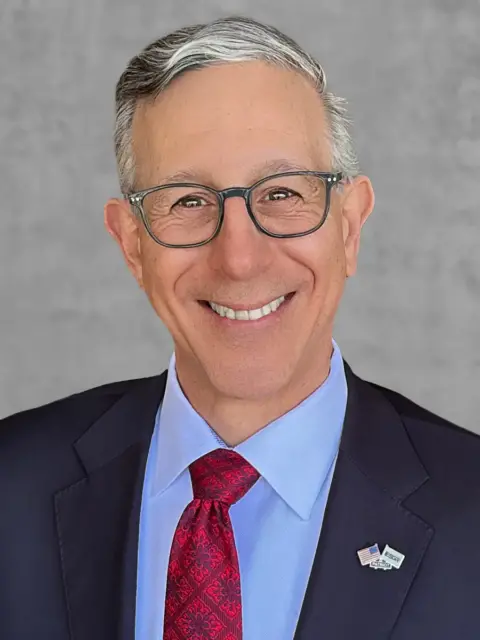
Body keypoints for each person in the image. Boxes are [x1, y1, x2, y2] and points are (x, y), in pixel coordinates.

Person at [1, 14, 479, 640]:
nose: (239, 259)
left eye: (282, 193)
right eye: (188, 201)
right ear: (131, 246)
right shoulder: (11, 489)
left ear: (350, 227)